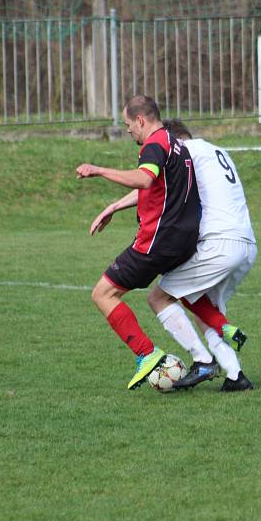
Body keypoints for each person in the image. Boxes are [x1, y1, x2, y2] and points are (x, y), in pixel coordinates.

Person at [77, 95, 200, 390]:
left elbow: (144, 180)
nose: (128, 130)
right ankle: (209, 353)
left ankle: (148, 355)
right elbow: (159, 187)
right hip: (184, 240)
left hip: (156, 242)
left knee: (102, 294)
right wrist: (113, 207)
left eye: (128, 124)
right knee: (166, 295)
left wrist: (99, 170)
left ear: (141, 120)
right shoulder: (175, 142)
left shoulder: (154, 143)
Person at [145, 118, 257, 392]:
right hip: (247, 245)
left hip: (219, 245)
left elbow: (162, 194)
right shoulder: (217, 151)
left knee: (159, 296)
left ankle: (202, 360)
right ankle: (235, 376)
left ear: (174, 142)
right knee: (204, 307)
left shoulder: (186, 154)